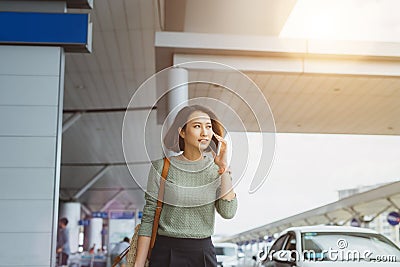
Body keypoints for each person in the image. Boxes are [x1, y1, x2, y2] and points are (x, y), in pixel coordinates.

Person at [135, 105, 238, 267]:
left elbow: (228, 212)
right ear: (182, 132)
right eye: (197, 126)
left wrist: (223, 169)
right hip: (165, 253)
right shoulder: (161, 167)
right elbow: (148, 218)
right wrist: (138, 265)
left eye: (208, 127)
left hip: (203, 254)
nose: (204, 132)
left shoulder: (216, 170)